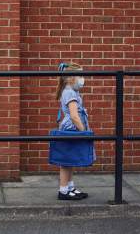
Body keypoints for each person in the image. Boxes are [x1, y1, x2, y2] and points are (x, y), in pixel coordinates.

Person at [55, 62, 90, 200]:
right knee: (66, 161)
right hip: (71, 129)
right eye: (80, 75)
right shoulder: (69, 92)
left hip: (72, 129)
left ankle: (70, 187)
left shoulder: (72, 91)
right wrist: (83, 132)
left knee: (70, 160)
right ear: (70, 78)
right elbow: (74, 116)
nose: (82, 78)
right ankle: (63, 191)